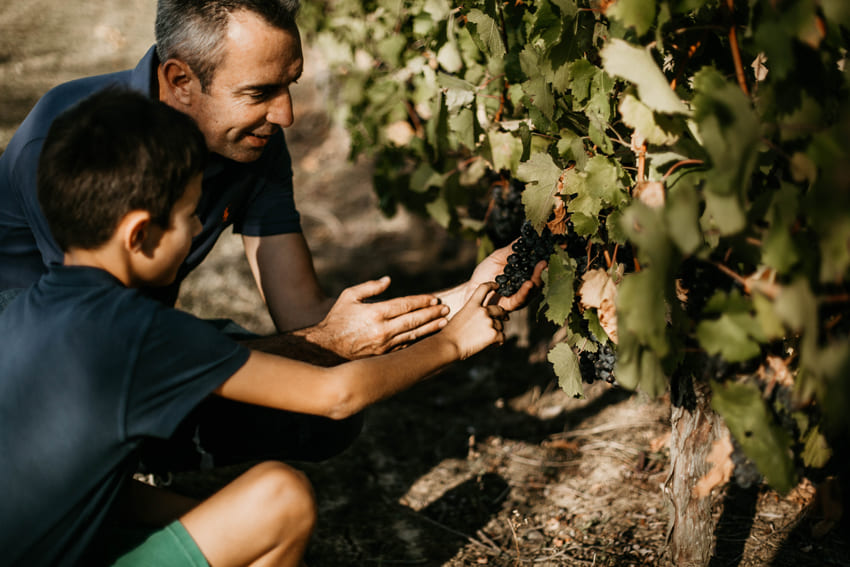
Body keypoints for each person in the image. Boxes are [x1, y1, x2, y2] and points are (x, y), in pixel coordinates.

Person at [0, 0, 544, 471]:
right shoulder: (75, 148)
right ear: (179, 81)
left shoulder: (253, 143)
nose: (284, 115)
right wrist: (328, 346)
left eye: (290, 86)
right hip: (36, 371)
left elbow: (303, 313)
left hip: (127, 347)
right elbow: (99, 356)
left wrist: (467, 297)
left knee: (317, 418)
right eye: (260, 92)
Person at [0, 88, 507, 567]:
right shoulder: (140, 331)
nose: (199, 228)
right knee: (280, 498)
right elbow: (336, 395)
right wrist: (453, 343)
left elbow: (88, 487)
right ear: (139, 234)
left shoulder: (18, 311)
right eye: (187, 215)